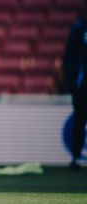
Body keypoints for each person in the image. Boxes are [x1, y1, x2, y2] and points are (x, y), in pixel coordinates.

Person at [63, 9, 87, 170]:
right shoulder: (80, 29)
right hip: (82, 85)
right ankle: (76, 157)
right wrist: (71, 83)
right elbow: (70, 57)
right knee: (80, 120)